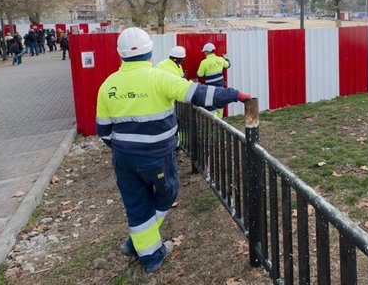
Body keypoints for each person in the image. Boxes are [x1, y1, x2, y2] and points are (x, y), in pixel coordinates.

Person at [95, 27, 251, 274]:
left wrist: (125, 150)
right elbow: (199, 93)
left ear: (120, 54)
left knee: (136, 204)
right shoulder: (158, 78)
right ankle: (151, 255)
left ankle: (140, 242)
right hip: (156, 157)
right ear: (149, 51)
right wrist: (235, 95)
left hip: (123, 158)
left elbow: (103, 130)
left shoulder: (108, 85)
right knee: (167, 193)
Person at [196, 43, 230, 118]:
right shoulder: (220, 59)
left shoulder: (204, 62)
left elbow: (200, 75)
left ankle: (215, 121)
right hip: (220, 87)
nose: (204, 53)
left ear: (208, 51)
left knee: (210, 104)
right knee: (219, 103)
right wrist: (226, 58)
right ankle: (220, 121)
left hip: (210, 88)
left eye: (204, 51)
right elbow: (228, 65)